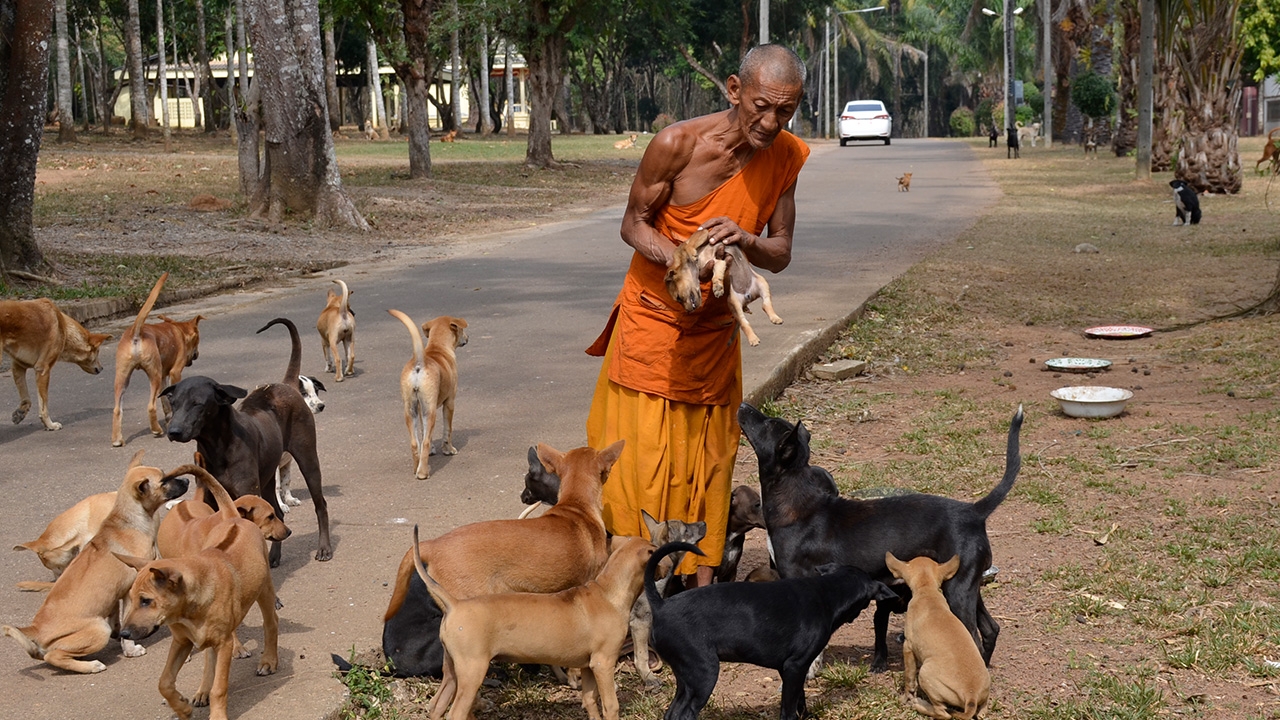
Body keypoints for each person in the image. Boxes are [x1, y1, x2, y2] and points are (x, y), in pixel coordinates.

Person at [585, 44, 810, 587]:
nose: (771, 121)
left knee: (707, 461)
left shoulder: (784, 156)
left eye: (786, 111)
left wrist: (745, 240)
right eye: (761, 105)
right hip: (653, 325)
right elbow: (633, 224)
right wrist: (685, 258)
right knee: (637, 464)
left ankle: (698, 590)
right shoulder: (676, 145)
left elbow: (780, 252)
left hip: (713, 337)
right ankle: (624, 586)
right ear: (734, 90)